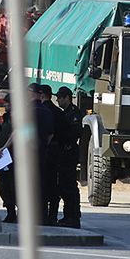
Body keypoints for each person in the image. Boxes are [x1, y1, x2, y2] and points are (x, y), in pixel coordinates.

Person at [40, 84, 68, 225]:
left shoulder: (42, 110)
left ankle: (43, 215)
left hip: (45, 151)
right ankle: (52, 216)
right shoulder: (58, 112)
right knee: (54, 185)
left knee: (43, 184)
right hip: (57, 152)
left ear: (42, 95)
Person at [55, 86, 83, 228]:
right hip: (63, 153)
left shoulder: (74, 113)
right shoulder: (64, 113)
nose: (57, 100)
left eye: (60, 97)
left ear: (67, 98)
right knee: (63, 186)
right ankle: (68, 216)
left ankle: (73, 216)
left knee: (69, 186)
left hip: (69, 152)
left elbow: (75, 133)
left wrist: (64, 140)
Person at [28, 83, 55, 224]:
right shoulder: (47, 111)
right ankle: (42, 215)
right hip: (42, 150)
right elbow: (50, 134)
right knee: (42, 184)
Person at [0, 94, 16, 223]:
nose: (5, 105)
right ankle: (10, 211)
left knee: (13, 185)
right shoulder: (7, 117)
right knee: (4, 185)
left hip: (14, 156)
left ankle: (15, 212)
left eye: (7, 103)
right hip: (4, 158)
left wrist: (4, 146)